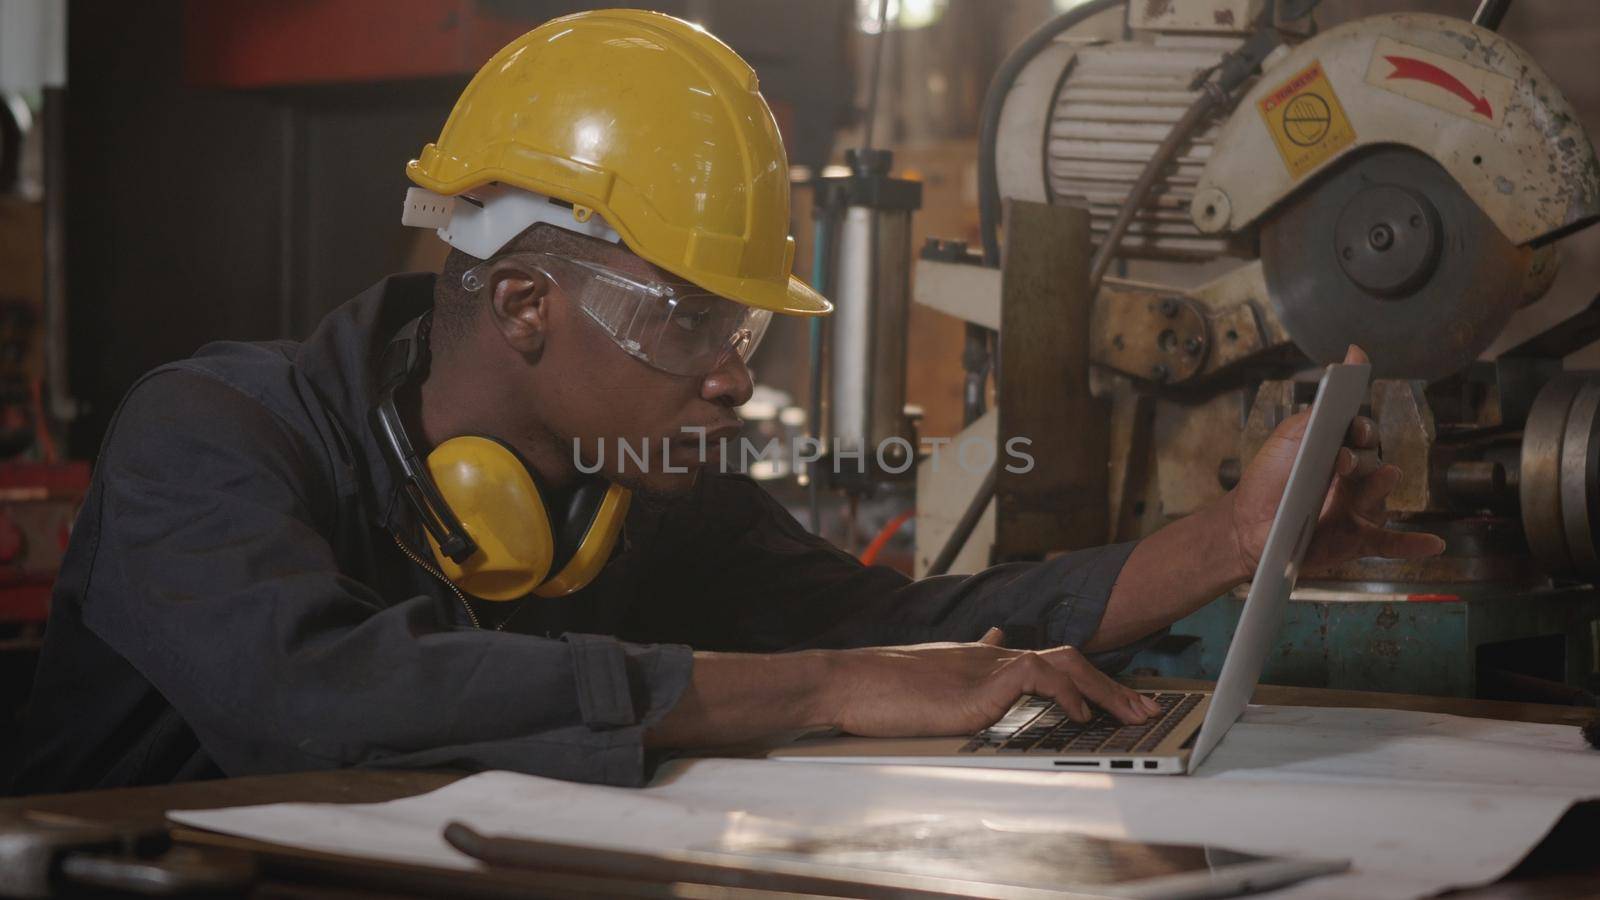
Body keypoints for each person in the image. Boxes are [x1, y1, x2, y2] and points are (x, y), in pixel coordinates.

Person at [9, 10, 1442, 795]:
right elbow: (307, 694)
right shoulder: (212, 437)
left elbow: (892, 635)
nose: (734, 370)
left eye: (745, 323)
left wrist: (1227, 544)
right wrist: (812, 691)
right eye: (691, 316)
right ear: (523, 304)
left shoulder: (634, 488)